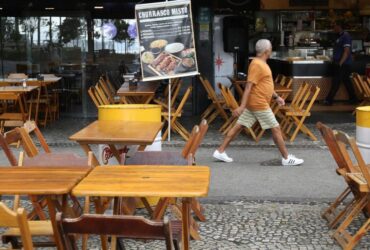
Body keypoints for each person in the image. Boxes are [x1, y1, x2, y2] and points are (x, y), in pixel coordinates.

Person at [213, 39, 304, 166]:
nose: (271, 50)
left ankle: (220, 151)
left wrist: (276, 97)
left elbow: (264, 84)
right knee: (276, 128)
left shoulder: (261, 63)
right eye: (271, 48)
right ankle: (286, 158)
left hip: (255, 103)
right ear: (267, 51)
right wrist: (241, 106)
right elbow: (249, 87)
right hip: (259, 104)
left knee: (239, 126)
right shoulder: (257, 64)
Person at [324, 20, 357, 105]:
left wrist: (340, 63)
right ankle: (353, 99)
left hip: (344, 64)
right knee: (346, 81)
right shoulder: (339, 36)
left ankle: (329, 100)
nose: (333, 27)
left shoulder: (346, 36)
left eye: (334, 26)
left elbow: (346, 51)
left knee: (336, 81)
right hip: (340, 62)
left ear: (339, 26)